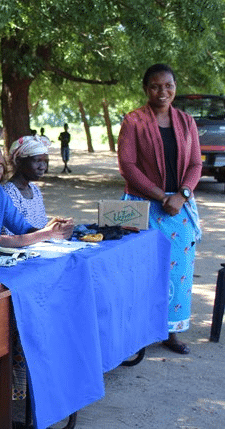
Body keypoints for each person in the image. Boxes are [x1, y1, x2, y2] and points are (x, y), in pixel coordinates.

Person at [117, 63, 202, 355]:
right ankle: (138, 333)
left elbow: (195, 164)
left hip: (178, 209)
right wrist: (159, 195)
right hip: (143, 207)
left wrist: (182, 195)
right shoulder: (133, 121)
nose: (162, 92)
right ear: (146, 89)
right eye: (155, 86)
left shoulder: (186, 121)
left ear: (175, 87)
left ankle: (171, 330)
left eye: (168, 85)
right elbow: (127, 166)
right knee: (141, 271)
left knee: (178, 269)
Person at [2, 135, 73, 230]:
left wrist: (52, 225)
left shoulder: (34, 190)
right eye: (37, 161)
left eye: (45, 162)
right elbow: (16, 234)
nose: (43, 167)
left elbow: (38, 228)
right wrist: (49, 232)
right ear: (19, 161)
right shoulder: (9, 193)